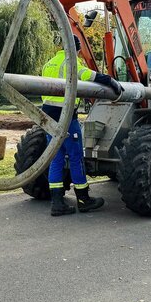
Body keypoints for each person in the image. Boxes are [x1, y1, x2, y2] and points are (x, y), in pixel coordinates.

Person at [42, 35, 122, 216]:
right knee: (76, 157)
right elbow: (91, 76)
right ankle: (84, 199)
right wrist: (111, 81)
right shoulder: (72, 62)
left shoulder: (49, 64)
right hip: (66, 115)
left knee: (55, 158)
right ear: (76, 48)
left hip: (48, 116)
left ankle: (57, 202)